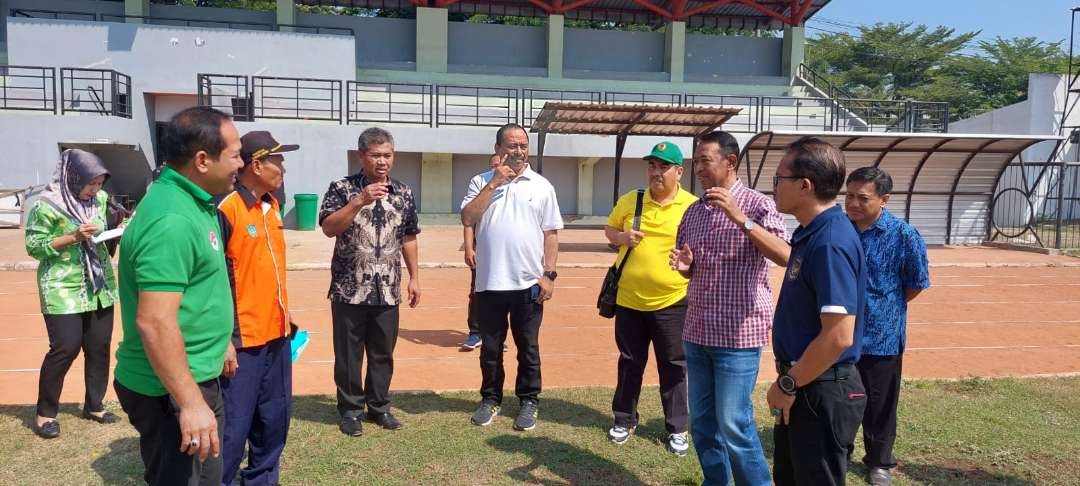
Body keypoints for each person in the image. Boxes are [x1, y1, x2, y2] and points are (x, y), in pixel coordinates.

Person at [113, 106, 244, 485]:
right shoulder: (172, 219)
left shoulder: (196, 201)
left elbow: (196, 290)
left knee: (207, 478)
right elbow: (155, 321)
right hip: (168, 390)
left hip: (195, 372)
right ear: (203, 160)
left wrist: (219, 342)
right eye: (235, 153)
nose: (242, 162)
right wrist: (189, 403)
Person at [669, 131, 790, 484]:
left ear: (730, 162)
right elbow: (690, 266)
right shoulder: (693, 211)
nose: (698, 168)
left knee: (734, 424)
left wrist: (741, 219)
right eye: (696, 161)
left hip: (738, 336)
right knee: (704, 423)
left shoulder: (757, 205)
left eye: (705, 160)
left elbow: (784, 254)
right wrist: (686, 265)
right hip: (697, 332)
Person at [766, 137, 867, 486]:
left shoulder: (830, 242)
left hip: (819, 390)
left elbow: (838, 336)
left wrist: (789, 383)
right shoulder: (813, 233)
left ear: (804, 185)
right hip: (806, 384)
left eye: (779, 178)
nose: (774, 187)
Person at [319, 127, 420, 437]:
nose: (382, 161)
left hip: (387, 288)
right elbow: (328, 228)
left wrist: (416, 276)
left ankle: (379, 407)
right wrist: (358, 201)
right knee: (349, 355)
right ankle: (350, 410)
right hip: (350, 288)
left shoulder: (403, 192)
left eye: (387, 155)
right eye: (375, 155)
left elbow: (409, 236)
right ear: (361, 156)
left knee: (382, 353)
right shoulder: (341, 188)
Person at [461, 123, 562, 431]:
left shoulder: (542, 186)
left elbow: (551, 234)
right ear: (498, 149)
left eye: (523, 145)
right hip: (490, 283)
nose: (518, 151)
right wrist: (494, 183)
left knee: (528, 347)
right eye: (512, 145)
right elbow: (467, 217)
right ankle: (490, 399)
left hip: (528, 284)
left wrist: (549, 275)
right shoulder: (480, 181)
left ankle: (529, 401)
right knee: (491, 348)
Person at [604, 141, 697, 455]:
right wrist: (622, 238)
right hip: (629, 300)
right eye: (652, 166)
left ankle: (677, 428)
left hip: (672, 301)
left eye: (664, 166)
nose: (656, 172)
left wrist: (691, 258)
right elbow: (610, 230)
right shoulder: (632, 199)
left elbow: (702, 250)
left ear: (679, 172)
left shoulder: (692, 206)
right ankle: (624, 418)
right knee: (630, 362)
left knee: (673, 365)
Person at [216, 131, 299, 485]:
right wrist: (223, 338)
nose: (283, 167)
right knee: (234, 428)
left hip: (277, 335)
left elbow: (265, 271)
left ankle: (263, 480)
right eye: (277, 160)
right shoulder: (227, 209)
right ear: (256, 165)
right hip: (242, 341)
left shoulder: (272, 206)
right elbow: (214, 280)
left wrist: (285, 312)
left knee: (273, 420)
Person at [24, 149, 121, 439]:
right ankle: (45, 413)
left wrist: (115, 229)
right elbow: (35, 246)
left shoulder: (100, 200)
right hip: (62, 287)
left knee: (99, 346)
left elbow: (105, 225)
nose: (96, 189)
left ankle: (94, 405)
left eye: (100, 183)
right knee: (65, 348)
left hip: (99, 284)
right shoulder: (46, 206)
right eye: (90, 183)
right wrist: (73, 237)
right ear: (72, 177)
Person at [844, 167, 930, 486]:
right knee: (842, 398)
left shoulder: (903, 235)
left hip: (882, 336)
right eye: (849, 195)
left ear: (884, 200)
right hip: (839, 333)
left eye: (862, 198)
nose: (853, 203)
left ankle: (879, 462)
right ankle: (840, 451)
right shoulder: (841, 230)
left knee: (880, 403)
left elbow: (916, 282)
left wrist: (884, 307)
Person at [461, 153, 505, 351]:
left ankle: (496, 335)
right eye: (494, 164)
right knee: (477, 292)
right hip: (482, 250)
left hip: (505, 253)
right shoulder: (480, 182)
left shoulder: (515, 184)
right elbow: (469, 221)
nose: (498, 167)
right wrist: (469, 248)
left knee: (503, 293)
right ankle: (475, 333)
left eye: (501, 164)